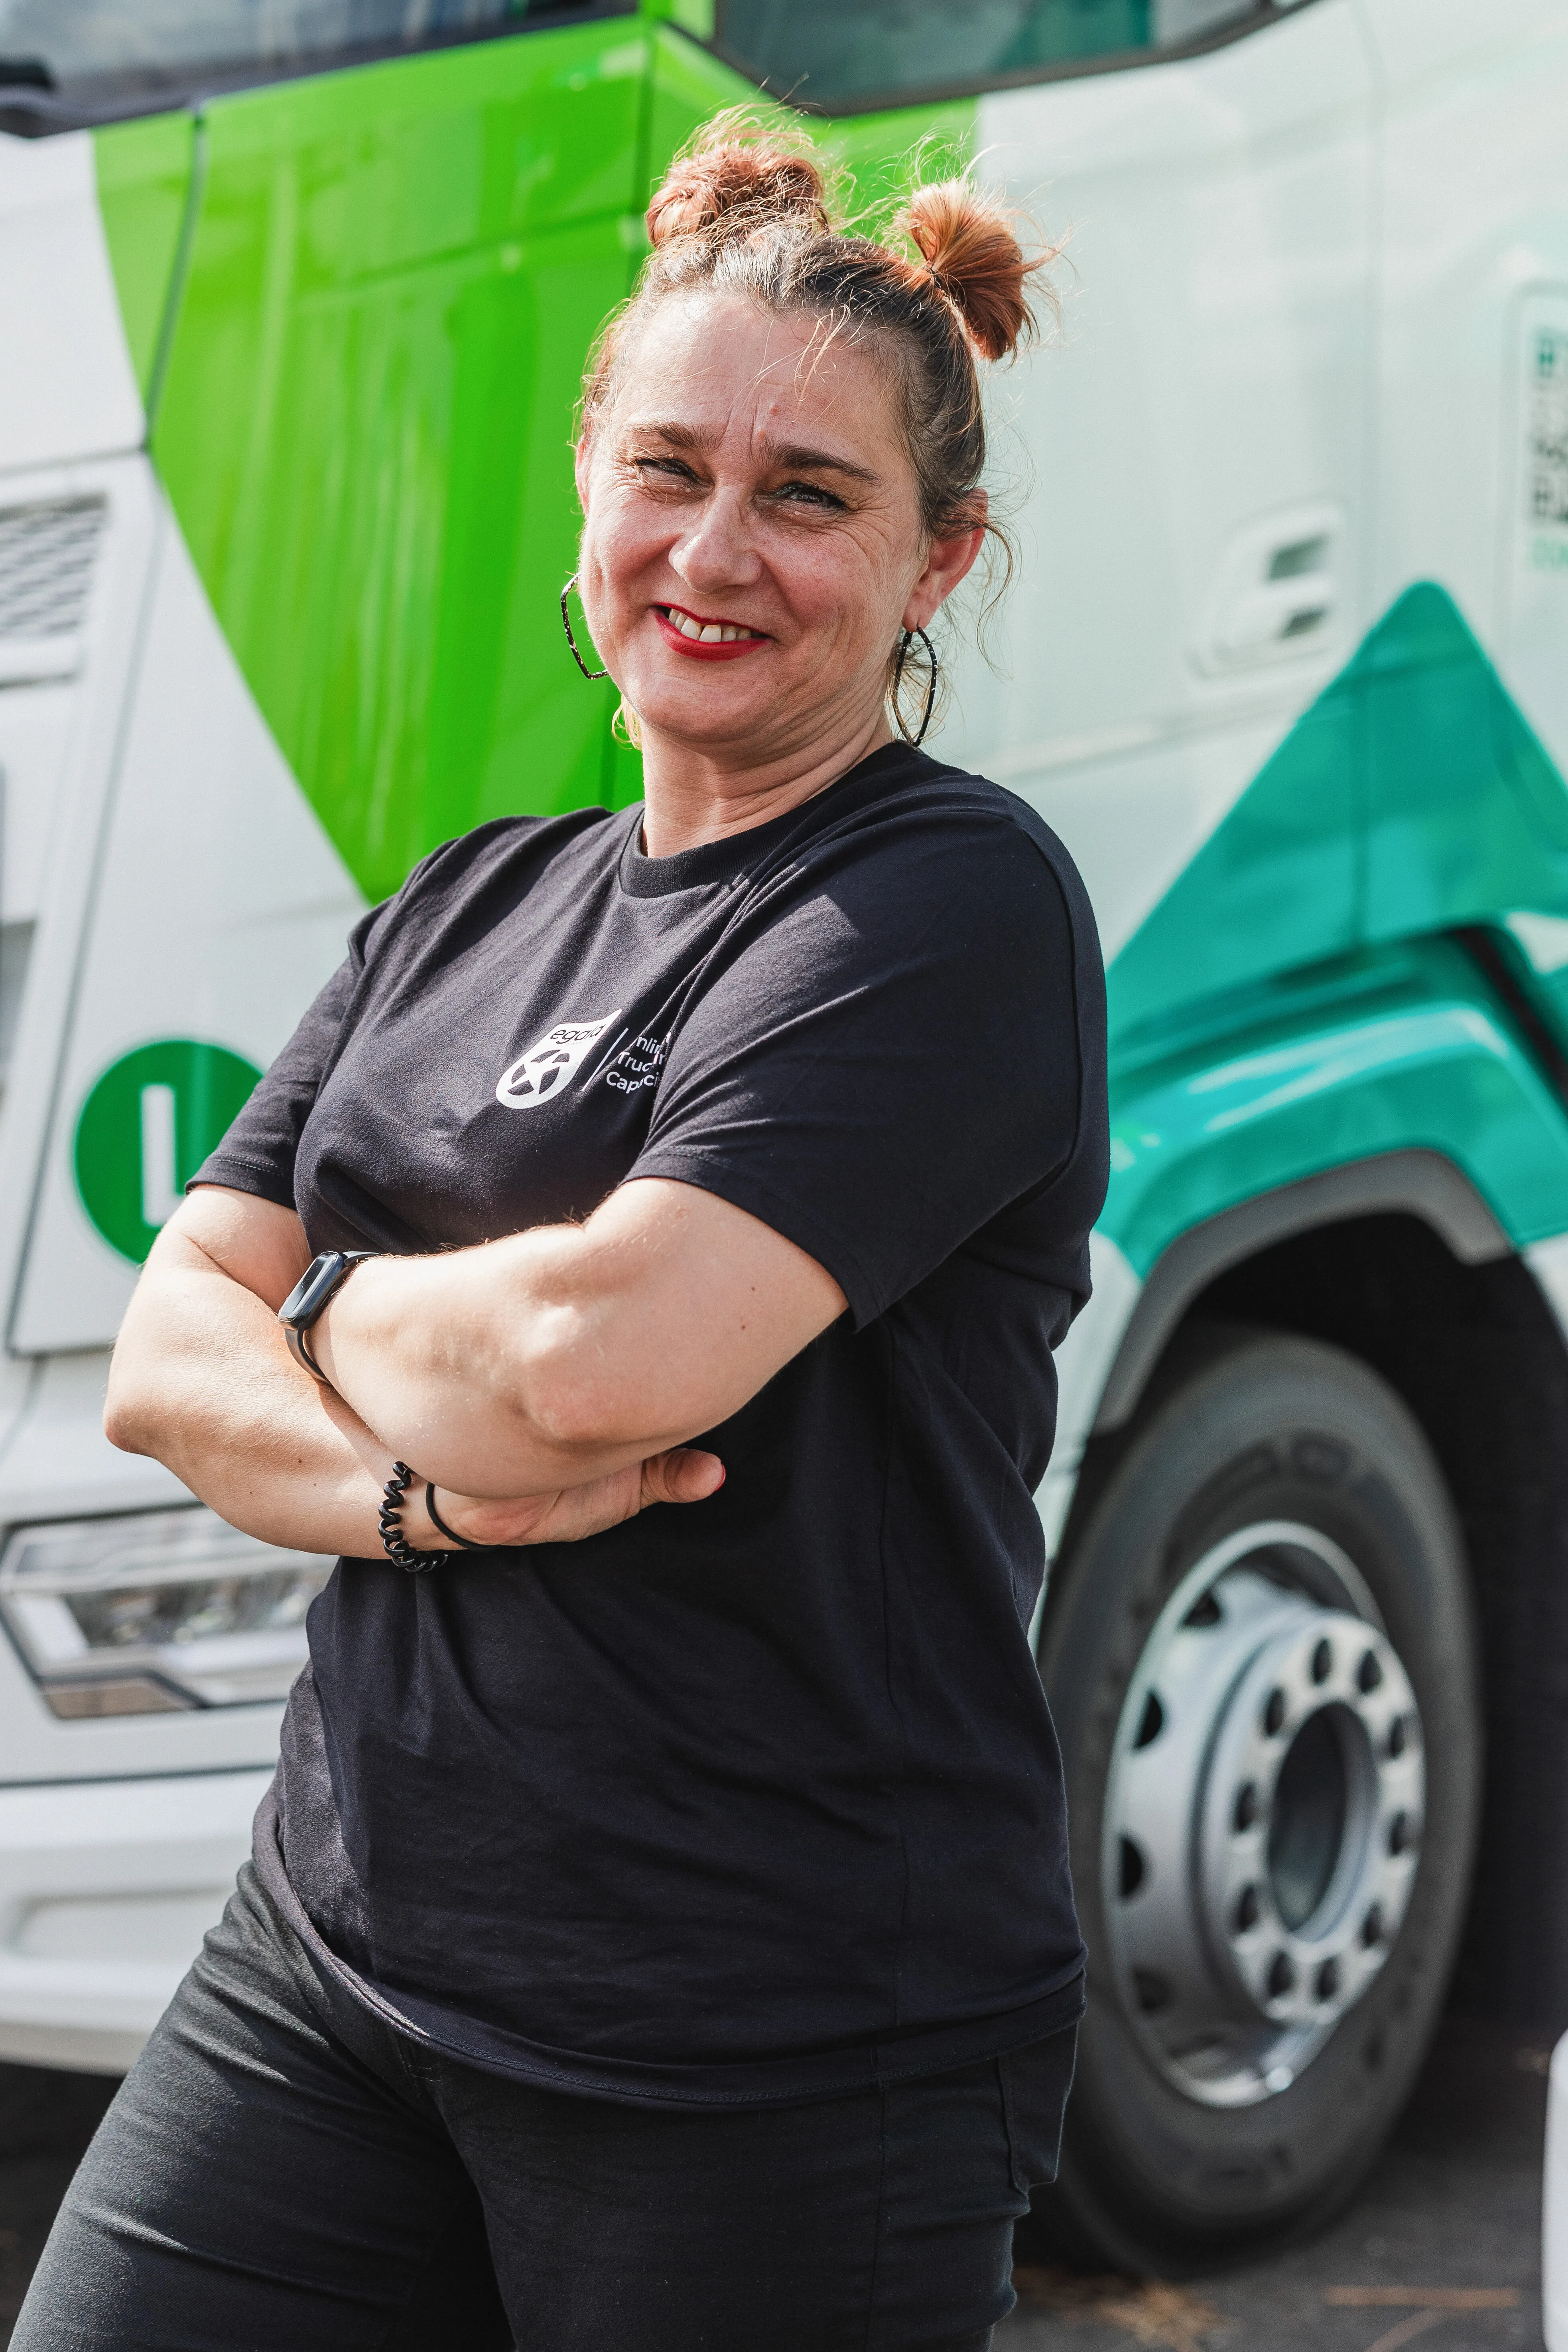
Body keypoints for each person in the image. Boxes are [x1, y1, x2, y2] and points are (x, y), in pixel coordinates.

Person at [14, 118, 1108, 2352]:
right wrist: (412, 1492)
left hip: (772, 2045)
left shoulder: (940, 902)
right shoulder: (474, 894)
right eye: (668, 470)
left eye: (807, 498)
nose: (716, 549)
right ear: (591, 487)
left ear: (934, 562)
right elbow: (154, 1357)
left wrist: (312, 1307)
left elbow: (603, 1364)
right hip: (335, 1967)